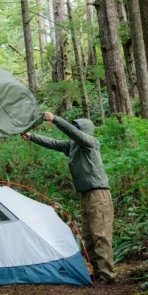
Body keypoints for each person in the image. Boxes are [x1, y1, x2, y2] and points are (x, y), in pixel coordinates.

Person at [22, 111, 116, 284]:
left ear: (84, 130)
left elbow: (73, 133)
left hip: (98, 194)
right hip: (85, 194)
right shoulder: (72, 146)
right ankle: (97, 273)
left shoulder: (90, 142)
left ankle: (107, 275)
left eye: (77, 127)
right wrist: (32, 137)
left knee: (100, 235)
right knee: (88, 237)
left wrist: (55, 119)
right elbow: (53, 143)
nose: (74, 129)